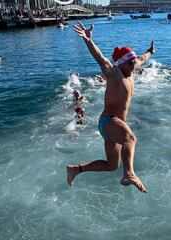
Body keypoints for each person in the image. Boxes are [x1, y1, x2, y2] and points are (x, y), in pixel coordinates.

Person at [67, 20, 155, 192]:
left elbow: (143, 59)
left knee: (111, 165)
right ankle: (129, 174)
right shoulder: (113, 73)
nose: (133, 65)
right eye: (130, 63)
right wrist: (88, 40)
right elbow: (100, 57)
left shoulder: (131, 68)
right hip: (108, 121)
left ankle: (75, 169)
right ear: (121, 62)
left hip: (114, 126)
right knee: (130, 139)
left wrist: (150, 51)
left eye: (133, 62)